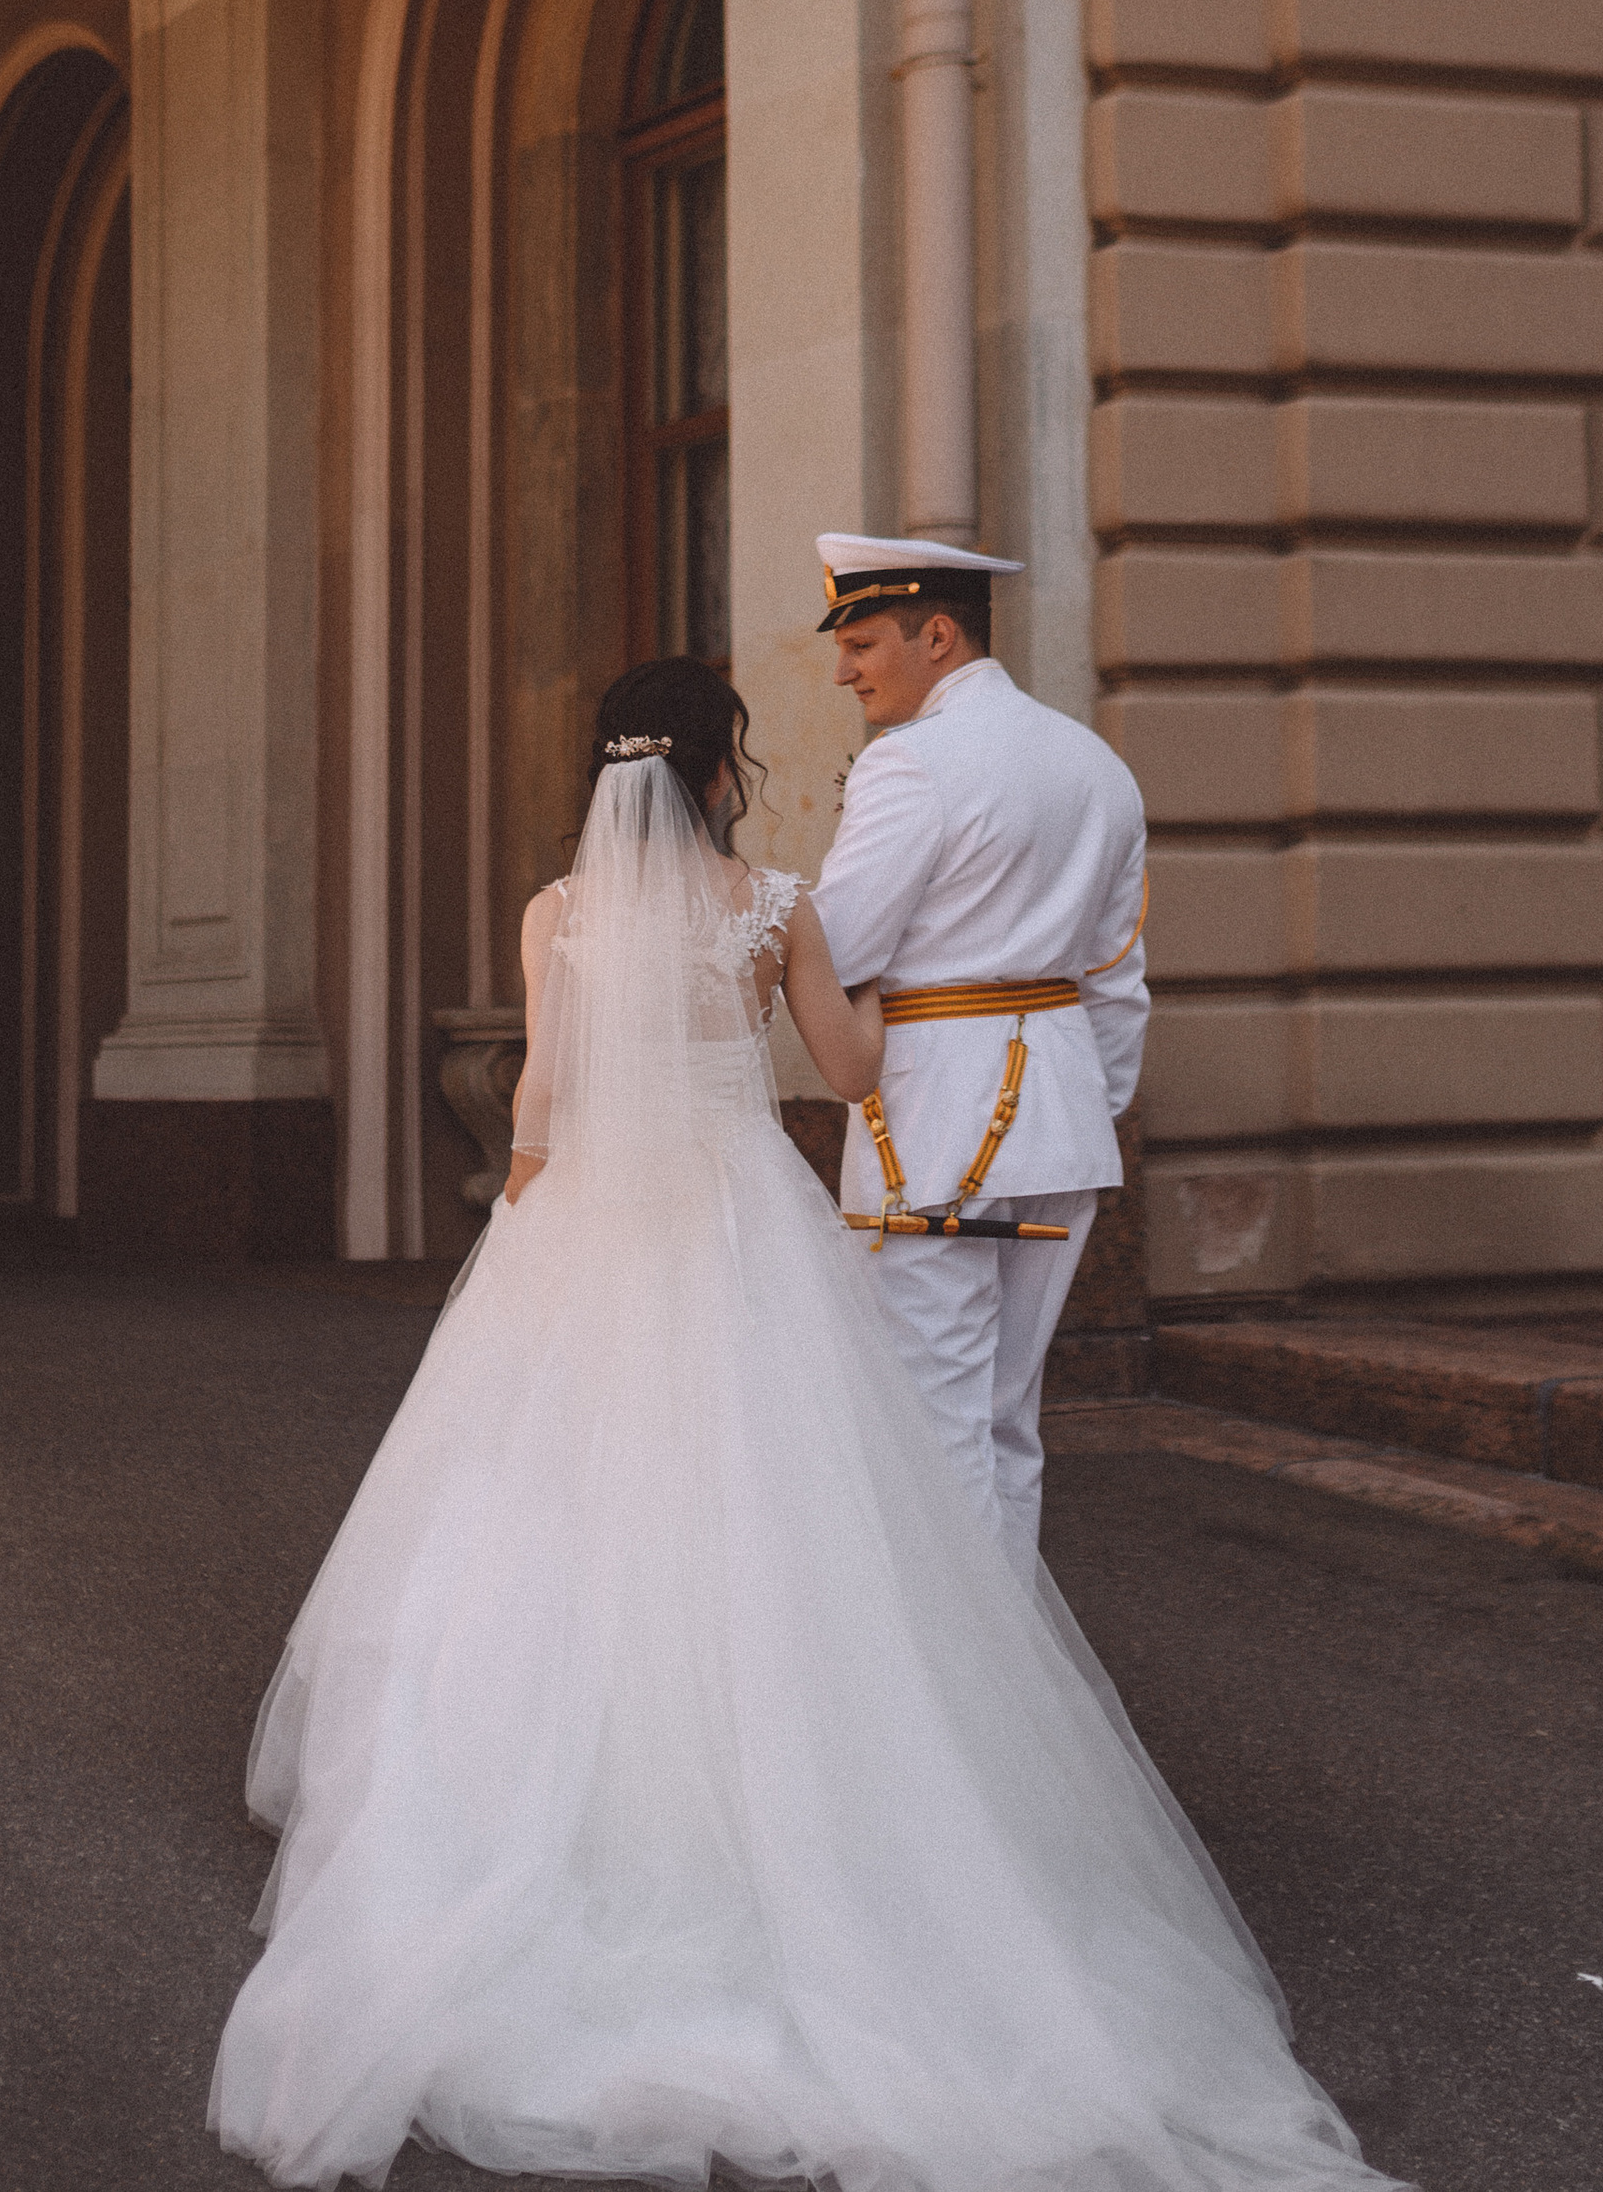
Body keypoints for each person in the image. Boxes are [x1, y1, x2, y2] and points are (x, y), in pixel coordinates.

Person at [210, 653, 1386, 2192]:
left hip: (589, 1228)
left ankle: (532, 1815)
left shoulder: (558, 912)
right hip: (738, 1222)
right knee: (780, 1510)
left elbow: (543, 1096)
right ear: (721, 768)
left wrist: (521, 1230)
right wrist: (918, 986)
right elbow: (849, 1067)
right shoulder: (775, 905)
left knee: (543, 1505)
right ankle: (817, 1821)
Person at [812, 531, 1148, 1570]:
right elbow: (1117, 979)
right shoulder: (1096, 763)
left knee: (930, 1414)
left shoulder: (909, 763)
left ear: (938, 637)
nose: (844, 672)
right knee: (1006, 1417)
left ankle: (954, 1669)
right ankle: (1008, 1657)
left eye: (862, 643)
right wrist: (1083, 1104)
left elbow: (839, 950)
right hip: (1064, 1121)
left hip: (931, 1124)